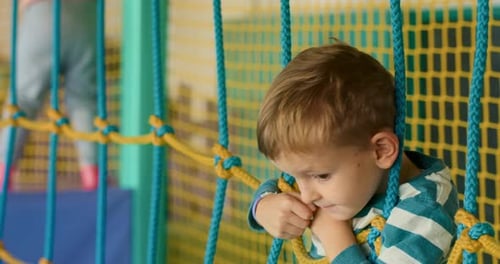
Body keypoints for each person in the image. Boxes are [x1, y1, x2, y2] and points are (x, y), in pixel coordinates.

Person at [248, 43, 459, 263]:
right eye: (296, 176)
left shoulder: (425, 212)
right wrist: (263, 206)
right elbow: (281, 185)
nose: (306, 195)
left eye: (321, 176)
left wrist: (334, 236)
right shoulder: (339, 182)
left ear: (381, 150)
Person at [0, 0, 98, 191]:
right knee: (84, 100)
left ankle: (3, 171)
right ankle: (92, 173)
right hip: (86, 19)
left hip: (42, 15)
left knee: (23, 100)